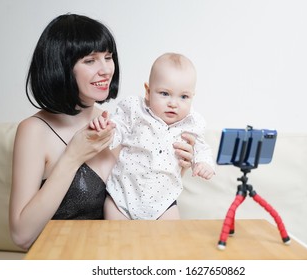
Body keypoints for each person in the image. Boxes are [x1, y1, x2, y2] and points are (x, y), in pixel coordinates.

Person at [9, 14, 195, 250]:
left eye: (108, 57)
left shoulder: (122, 121)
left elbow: (146, 206)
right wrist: (73, 156)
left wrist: (178, 167)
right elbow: (21, 236)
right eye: (90, 60)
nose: (106, 69)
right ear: (61, 67)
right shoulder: (34, 131)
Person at [90, 52, 215, 220]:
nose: (173, 103)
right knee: (115, 239)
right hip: (122, 196)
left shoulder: (191, 123)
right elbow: (118, 127)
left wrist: (204, 163)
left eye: (183, 96)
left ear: (192, 97)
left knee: (169, 241)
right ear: (148, 92)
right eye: (164, 93)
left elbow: (201, 147)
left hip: (164, 203)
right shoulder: (135, 110)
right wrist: (106, 130)